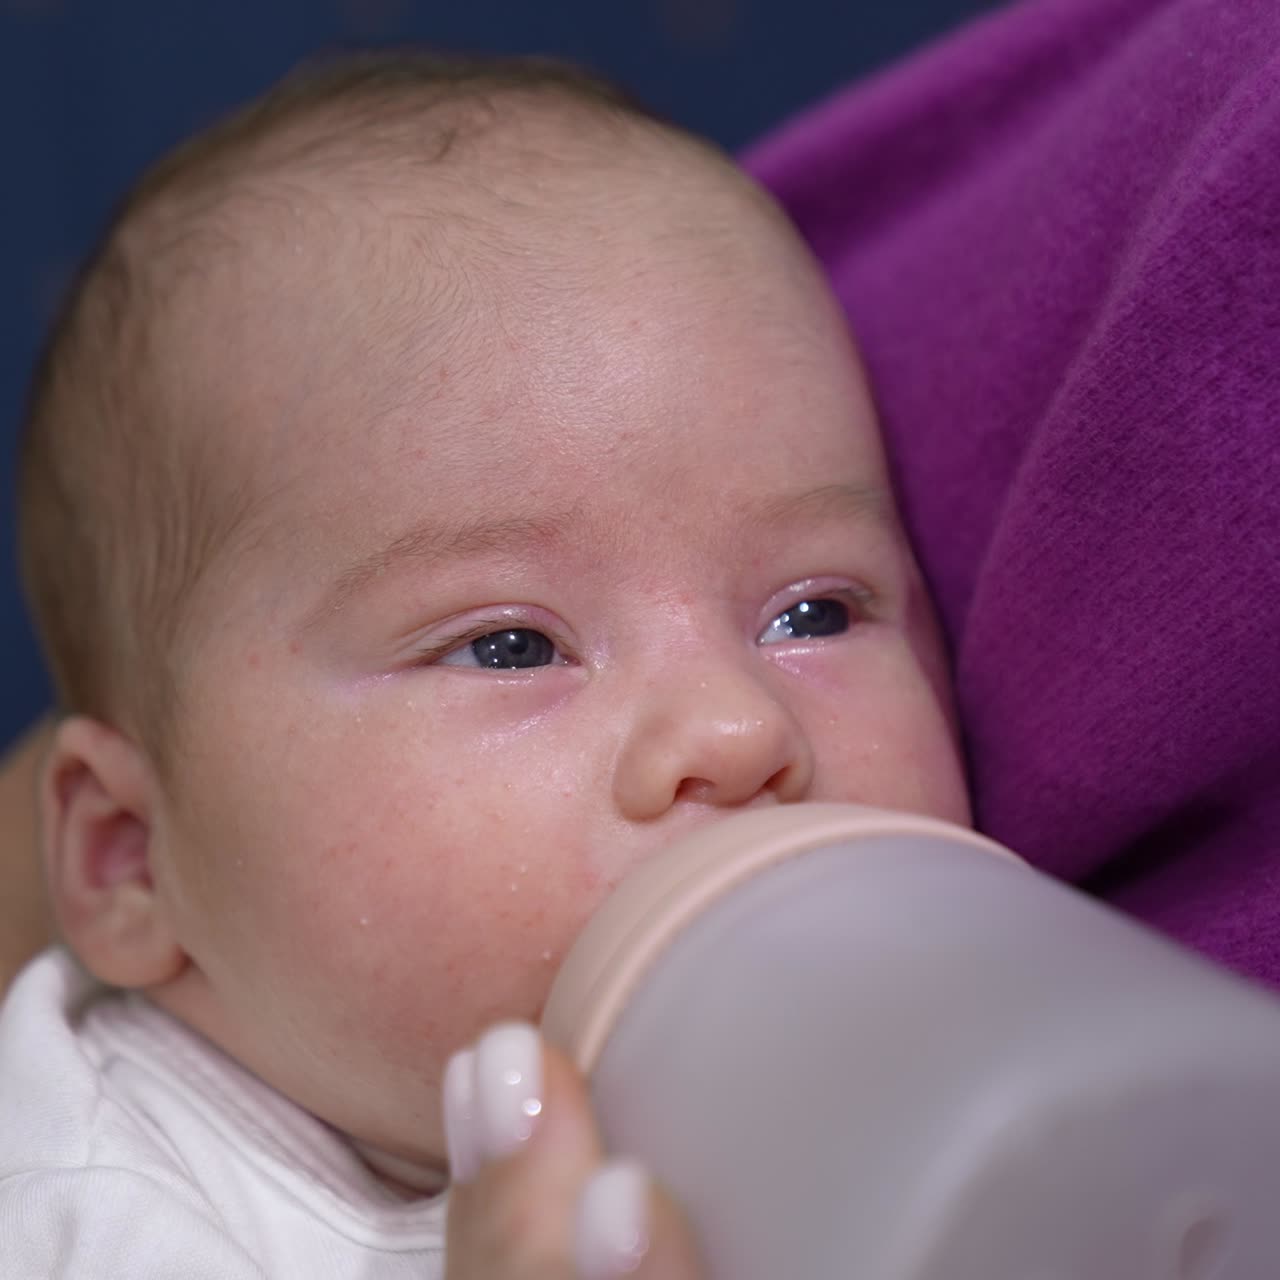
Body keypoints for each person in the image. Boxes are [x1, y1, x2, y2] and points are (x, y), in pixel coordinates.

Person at [0, 51, 970, 1277]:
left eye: (815, 612)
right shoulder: (83, 1206)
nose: (736, 727)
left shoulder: (954, 1069)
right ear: (134, 861)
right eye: (510, 645)